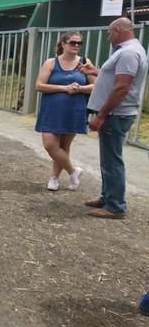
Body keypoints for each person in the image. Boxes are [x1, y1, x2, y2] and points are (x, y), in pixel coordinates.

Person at [79, 17, 148, 219]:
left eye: (110, 33)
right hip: (115, 113)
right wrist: (95, 72)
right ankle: (108, 197)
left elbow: (122, 87)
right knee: (108, 159)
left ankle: (116, 206)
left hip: (115, 114)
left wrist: (101, 115)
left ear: (118, 31)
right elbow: (116, 79)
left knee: (112, 161)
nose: (109, 37)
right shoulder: (132, 50)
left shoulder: (128, 53)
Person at [35, 31, 94, 191]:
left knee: (64, 145)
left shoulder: (84, 62)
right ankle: (73, 171)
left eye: (79, 43)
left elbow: (95, 86)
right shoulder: (51, 63)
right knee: (50, 144)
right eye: (73, 42)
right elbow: (39, 85)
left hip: (74, 110)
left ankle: (54, 178)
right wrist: (64, 88)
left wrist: (80, 88)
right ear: (63, 44)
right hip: (52, 110)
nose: (76, 46)